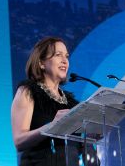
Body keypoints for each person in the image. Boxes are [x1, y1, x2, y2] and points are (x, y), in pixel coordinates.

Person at [11, 37, 81, 166]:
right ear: (41, 63)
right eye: (58, 55)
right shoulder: (28, 91)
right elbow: (19, 141)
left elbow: (77, 146)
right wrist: (52, 126)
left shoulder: (72, 104)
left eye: (66, 56)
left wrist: (93, 133)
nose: (64, 61)